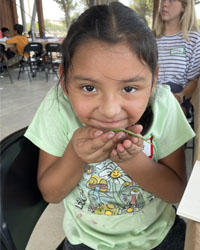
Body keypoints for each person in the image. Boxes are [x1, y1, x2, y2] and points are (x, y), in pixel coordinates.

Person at [25, 2, 195, 250]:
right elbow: (51, 194)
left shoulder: (164, 105)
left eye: (129, 88)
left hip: (158, 236)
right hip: (86, 240)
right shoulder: (57, 107)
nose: (110, 110)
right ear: (64, 81)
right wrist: (75, 155)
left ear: (153, 81)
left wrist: (132, 162)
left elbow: (176, 193)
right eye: (89, 88)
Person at [153, 0, 200, 117]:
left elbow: (194, 80)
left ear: (184, 7)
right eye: (162, 0)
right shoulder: (150, 38)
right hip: (152, 96)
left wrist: (179, 97)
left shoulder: (193, 39)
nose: (164, 4)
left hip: (179, 100)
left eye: (171, 0)